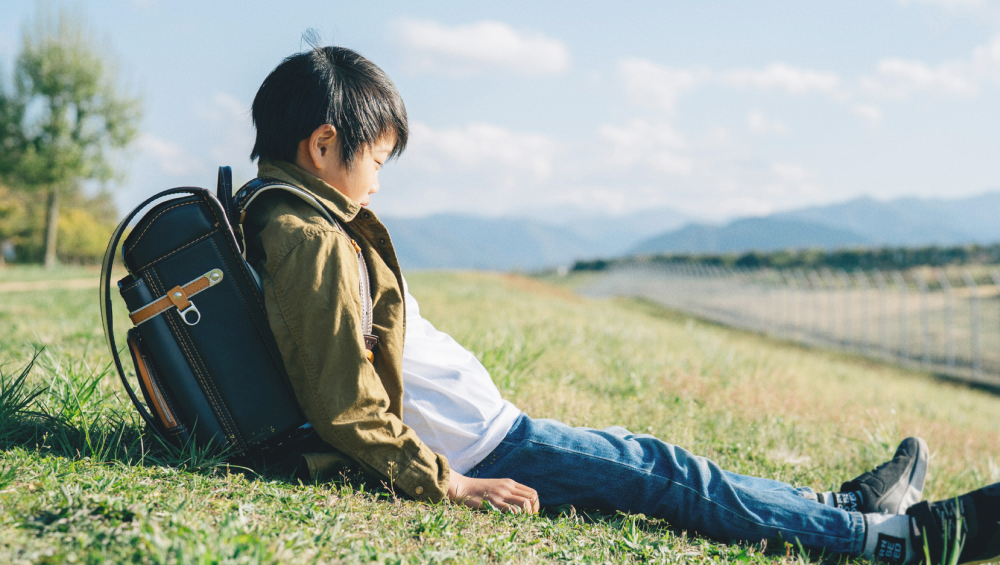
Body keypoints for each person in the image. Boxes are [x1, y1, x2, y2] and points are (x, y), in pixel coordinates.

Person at [243, 44, 1000, 565]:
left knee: (663, 467)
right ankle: (899, 541)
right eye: (376, 160)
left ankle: (841, 507)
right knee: (667, 475)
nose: (378, 181)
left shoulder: (296, 217)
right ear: (322, 145)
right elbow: (343, 401)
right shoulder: (307, 237)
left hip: (488, 434)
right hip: (484, 449)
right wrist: (446, 481)